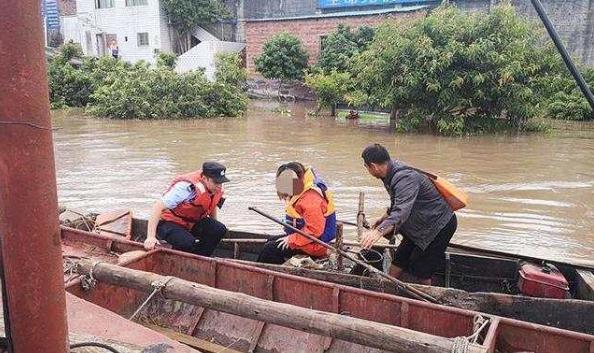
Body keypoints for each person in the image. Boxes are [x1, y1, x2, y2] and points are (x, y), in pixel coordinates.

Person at [360, 144, 457, 285]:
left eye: (366, 167)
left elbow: (401, 212)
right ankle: (389, 288)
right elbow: (398, 203)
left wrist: (378, 232)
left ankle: (423, 302)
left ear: (373, 166)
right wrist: (383, 218)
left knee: (421, 272)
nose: (367, 170)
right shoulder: (391, 172)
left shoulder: (404, 178)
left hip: (438, 226)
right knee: (399, 259)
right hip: (418, 225)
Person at [257, 162, 337, 264]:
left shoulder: (310, 198)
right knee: (271, 240)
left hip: (318, 244)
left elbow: (315, 231)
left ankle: (268, 273)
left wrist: (291, 239)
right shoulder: (303, 190)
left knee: (270, 249)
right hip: (311, 240)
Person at [143, 161, 229, 256]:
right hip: (169, 222)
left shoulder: (215, 188)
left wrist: (214, 225)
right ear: (205, 178)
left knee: (219, 229)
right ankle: (179, 259)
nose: (219, 186)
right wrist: (150, 237)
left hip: (192, 222)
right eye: (216, 182)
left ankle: (201, 258)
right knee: (187, 243)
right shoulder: (186, 188)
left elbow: (211, 204)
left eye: (221, 182)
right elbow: (157, 207)